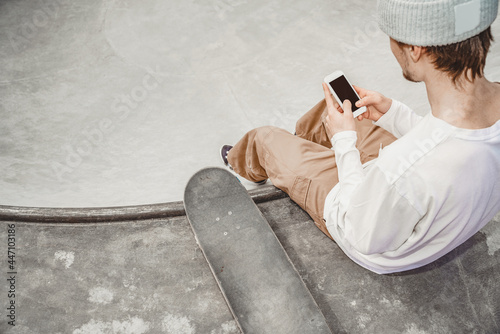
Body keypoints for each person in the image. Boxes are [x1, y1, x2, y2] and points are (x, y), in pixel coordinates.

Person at [220, 0, 500, 274]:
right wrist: (393, 113)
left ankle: (247, 162)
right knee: (330, 112)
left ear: (415, 49)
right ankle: (304, 152)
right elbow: (442, 144)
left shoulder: (402, 169)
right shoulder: (455, 134)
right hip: (417, 199)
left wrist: (344, 143)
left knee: (264, 138)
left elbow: (358, 230)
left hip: (362, 222)